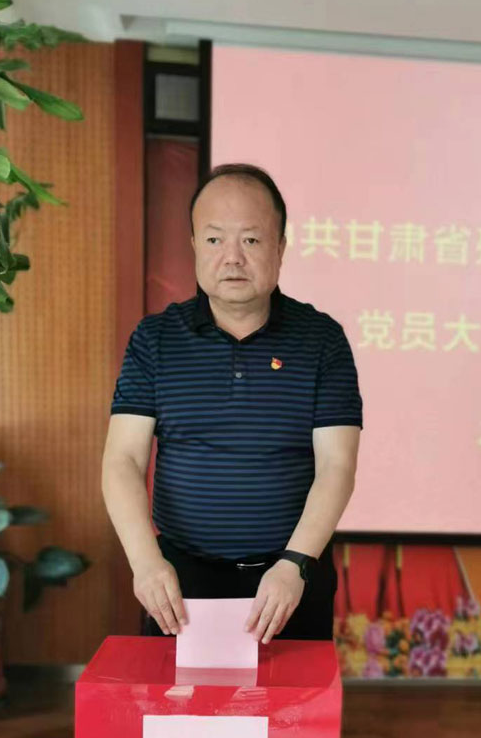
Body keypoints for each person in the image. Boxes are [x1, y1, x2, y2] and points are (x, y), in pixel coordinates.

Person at [101, 163, 363, 645]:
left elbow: (337, 466)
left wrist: (295, 563)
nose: (232, 258)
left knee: (292, 697)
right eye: (215, 239)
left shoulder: (322, 340)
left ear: (280, 247)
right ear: (194, 245)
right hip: (180, 580)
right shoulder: (155, 339)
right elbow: (123, 460)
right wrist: (146, 562)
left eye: (252, 240)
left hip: (290, 578)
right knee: (180, 696)